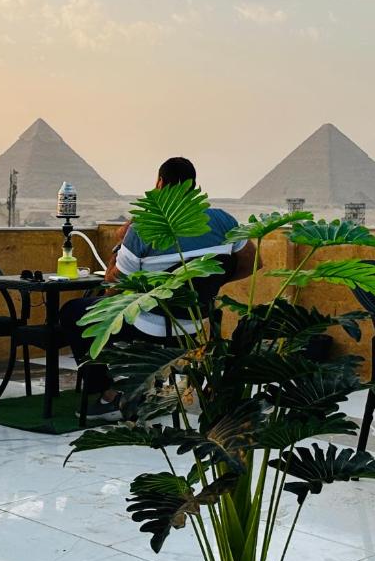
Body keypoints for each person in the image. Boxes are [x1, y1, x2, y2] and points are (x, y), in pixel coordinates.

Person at [60, 157, 259, 421]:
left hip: (150, 322)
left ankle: (108, 396)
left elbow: (114, 285)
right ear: (193, 186)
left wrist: (120, 243)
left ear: (160, 183)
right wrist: (211, 281)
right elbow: (254, 262)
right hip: (194, 323)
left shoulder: (144, 226)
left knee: (75, 311)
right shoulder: (222, 220)